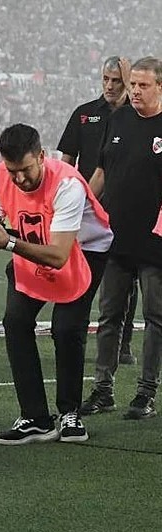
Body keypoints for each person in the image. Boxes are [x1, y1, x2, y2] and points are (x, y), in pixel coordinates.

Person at [0, 124, 111, 444]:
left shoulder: (67, 185)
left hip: (85, 250)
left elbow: (60, 256)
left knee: (66, 327)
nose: (18, 179)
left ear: (42, 156)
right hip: (37, 242)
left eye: (25, 170)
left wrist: (7, 244)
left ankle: (70, 412)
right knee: (16, 321)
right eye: (12, 170)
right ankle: (35, 417)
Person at [83, 56, 162, 420]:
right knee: (109, 315)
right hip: (115, 238)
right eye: (133, 84)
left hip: (155, 243)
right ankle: (103, 389)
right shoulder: (119, 119)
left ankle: (146, 393)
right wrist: (82, 206)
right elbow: (101, 171)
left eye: (143, 85)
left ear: (160, 87)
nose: (134, 91)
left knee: (155, 318)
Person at [58, 56, 138, 365]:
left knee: (122, 277)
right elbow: (66, 161)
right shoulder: (84, 114)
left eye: (116, 80)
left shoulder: (137, 117)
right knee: (79, 271)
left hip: (122, 207)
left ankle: (124, 343)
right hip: (84, 208)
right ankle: (72, 333)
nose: (109, 85)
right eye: (105, 78)